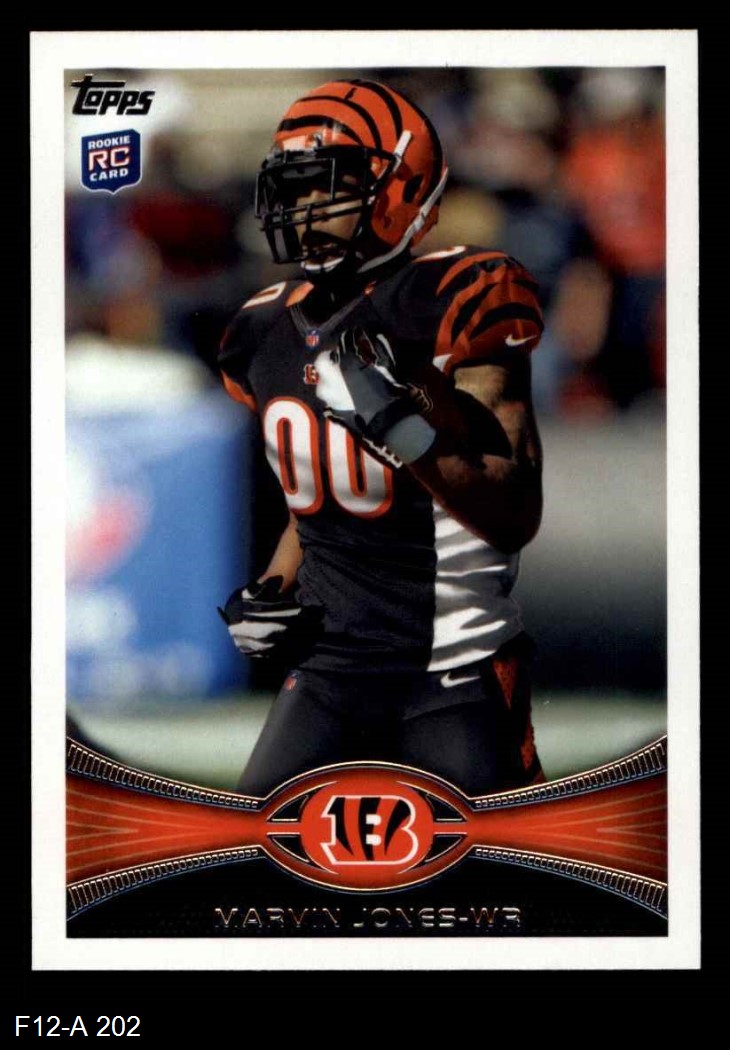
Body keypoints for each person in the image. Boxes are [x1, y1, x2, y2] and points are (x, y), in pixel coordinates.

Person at [218, 78, 545, 797]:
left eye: (325, 186)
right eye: (293, 188)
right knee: (244, 851)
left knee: (498, 861)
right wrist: (270, 590)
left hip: (451, 664)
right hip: (330, 670)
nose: (304, 208)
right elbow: (320, 504)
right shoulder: (260, 330)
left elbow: (513, 509)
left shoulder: (457, 295)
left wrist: (402, 424)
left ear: (400, 186)